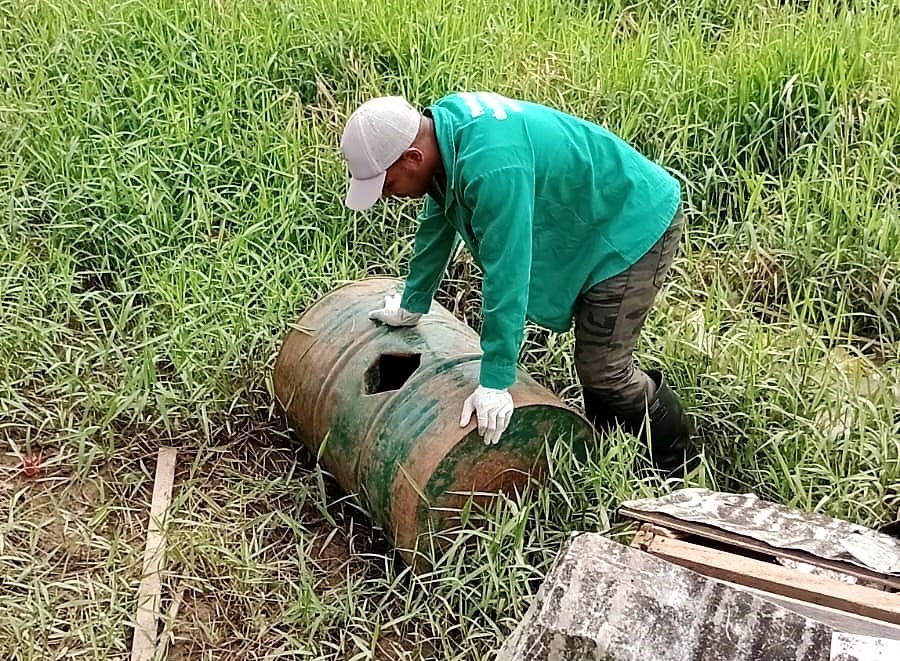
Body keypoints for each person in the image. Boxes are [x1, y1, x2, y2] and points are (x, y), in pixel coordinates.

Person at [339, 91, 698, 476]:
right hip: (597, 215)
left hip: (634, 225)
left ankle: (680, 465)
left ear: (413, 158)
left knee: (604, 369)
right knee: (595, 360)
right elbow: (437, 224)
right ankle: (608, 452)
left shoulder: (492, 167)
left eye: (388, 184)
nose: (389, 196)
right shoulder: (445, 131)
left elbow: (508, 274)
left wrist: (495, 381)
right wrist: (413, 303)